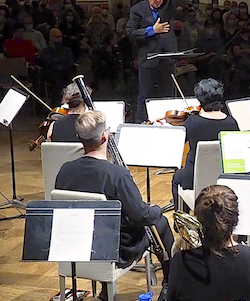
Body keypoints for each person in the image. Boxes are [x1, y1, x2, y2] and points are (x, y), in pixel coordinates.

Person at [54, 110, 173, 267]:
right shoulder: (117, 174)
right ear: (105, 136)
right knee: (161, 221)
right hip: (116, 250)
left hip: (77, 245)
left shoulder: (65, 170)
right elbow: (141, 216)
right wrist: (156, 210)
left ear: (78, 137)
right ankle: (171, 277)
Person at [128, 0, 206, 121]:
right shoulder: (137, 10)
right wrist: (152, 30)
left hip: (167, 57)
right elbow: (130, 32)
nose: (158, 0)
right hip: (148, 58)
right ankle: (140, 123)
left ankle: (168, 123)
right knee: (145, 94)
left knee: (168, 94)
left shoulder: (168, 3)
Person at [171, 78, 238, 194]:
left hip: (193, 179)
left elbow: (176, 144)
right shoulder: (231, 123)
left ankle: (182, 206)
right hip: (223, 180)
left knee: (177, 177)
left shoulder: (192, 122)